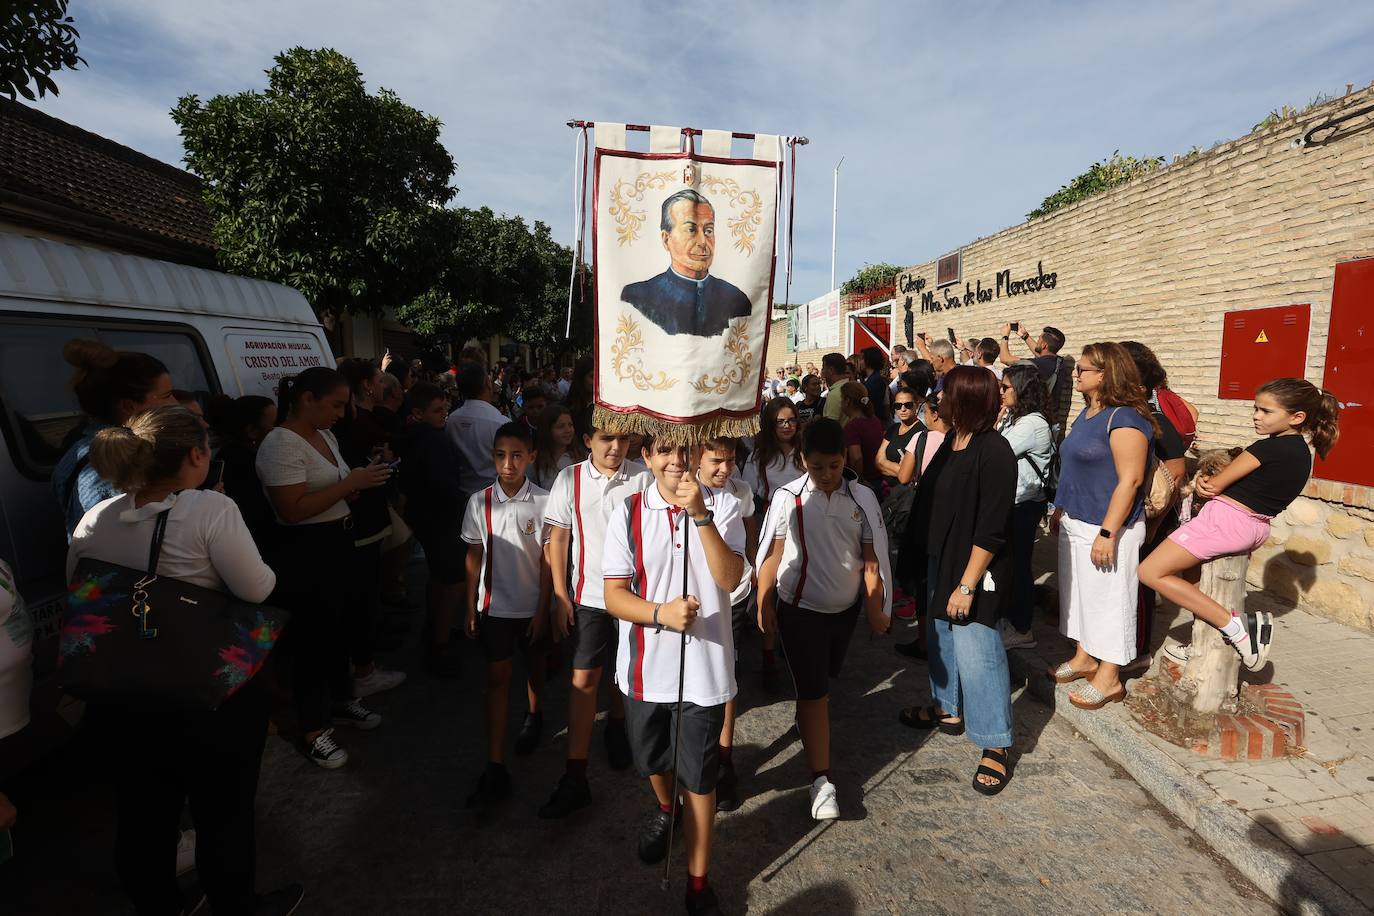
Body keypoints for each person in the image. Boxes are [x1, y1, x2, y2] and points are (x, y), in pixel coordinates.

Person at [68, 406, 301, 915]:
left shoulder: (94, 518)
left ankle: (159, 905)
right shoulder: (210, 510)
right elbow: (257, 587)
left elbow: (79, 588)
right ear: (197, 455)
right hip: (207, 694)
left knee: (143, 814)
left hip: (122, 693)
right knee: (223, 814)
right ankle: (234, 907)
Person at [600, 436, 742, 916]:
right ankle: (666, 809)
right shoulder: (627, 511)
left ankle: (698, 884)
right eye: (663, 450)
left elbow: (730, 577)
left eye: (684, 450)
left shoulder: (724, 505)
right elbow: (614, 595)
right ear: (647, 457)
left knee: (700, 779)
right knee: (651, 762)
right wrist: (661, 614)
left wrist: (701, 515)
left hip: (703, 671)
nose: (675, 461)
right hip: (644, 668)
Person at [1140, 378, 1339, 669]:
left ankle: (1238, 628)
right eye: (1256, 408)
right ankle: (1203, 642)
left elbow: (1214, 485)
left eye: (1266, 411)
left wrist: (1208, 482)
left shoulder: (1266, 448)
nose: (1257, 415)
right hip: (1251, 525)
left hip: (1226, 522)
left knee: (1150, 571)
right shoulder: (1301, 453)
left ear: (1297, 417)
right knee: (1195, 580)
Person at [755, 418, 891, 821]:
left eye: (834, 465)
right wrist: (764, 603)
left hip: (844, 614)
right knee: (814, 694)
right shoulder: (787, 499)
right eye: (817, 467)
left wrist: (873, 608)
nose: (827, 475)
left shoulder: (861, 498)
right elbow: (772, 555)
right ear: (802, 461)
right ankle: (821, 781)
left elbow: (872, 560)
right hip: (800, 612)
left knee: (821, 687)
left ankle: (809, 726)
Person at [257, 368, 392, 768]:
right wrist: (353, 483)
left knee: (339, 630)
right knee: (311, 642)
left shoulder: (326, 435)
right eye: (335, 405)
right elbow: (292, 510)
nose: (341, 413)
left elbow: (332, 490)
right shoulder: (280, 444)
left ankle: (342, 700)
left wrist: (358, 482)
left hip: (338, 543)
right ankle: (314, 729)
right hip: (306, 553)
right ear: (307, 400)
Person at [896, 366, 1018, 795]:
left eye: (944, 394)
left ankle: (995, 743)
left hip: (972, 569)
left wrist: (966, 585)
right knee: (942, 639)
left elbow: (992, 527)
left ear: (964, 399)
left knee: (977, 649)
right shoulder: (952, 440)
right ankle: (948, 708)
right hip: (940, 559)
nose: (937, 400)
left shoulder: (995, 451)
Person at [538, 424, 651, 818]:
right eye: (606, 439)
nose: (616, 447)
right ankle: (575, 774)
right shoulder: (569, 478)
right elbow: (558, 538)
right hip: (587, 596)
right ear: (587, 440)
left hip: (633, 595)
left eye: (623, 439)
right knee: (584, 677)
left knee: (625, 672)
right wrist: (559, 595)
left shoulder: (642, 475)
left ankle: (617, 726)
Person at [1048, 343, 1155, 710]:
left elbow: (1131, 480)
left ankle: (1109, 676)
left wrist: (1108, 532)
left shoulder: (1125, 418)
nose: (1076, 374)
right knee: (1079, 594)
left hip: (1110, 526)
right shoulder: (1088, 413)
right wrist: (1061, 508)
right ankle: (1084, 656)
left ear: (1106, 374)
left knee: (1111, 599)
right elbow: (1074, 467)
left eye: (1083, 369)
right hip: (1077, 518)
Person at [462, 423, 552, 808]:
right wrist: (470, 603)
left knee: (535, 665)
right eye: (500, 455)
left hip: (533, 605)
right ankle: (495, 763)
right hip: (495, 607)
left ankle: (535, 713)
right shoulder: (479, 502)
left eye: (517, 455)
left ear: (531, 456)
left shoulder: (547, 502)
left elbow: (551, 559)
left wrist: (546, 607)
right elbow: (473, 554)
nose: (508, 464)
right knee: (497, 678)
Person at [53, 339, 177, 537]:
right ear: (129, 406)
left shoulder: (76, 453)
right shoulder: (118, 463)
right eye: (167, 396)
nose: (175, 403)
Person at [334, 358, 404, 700]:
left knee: (366, 593)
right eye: (377, 378)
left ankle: (361, 664)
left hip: (365, 518)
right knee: (360, 596)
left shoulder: (362, 420)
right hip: (359, 521)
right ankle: (362, 670)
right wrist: (371, 468)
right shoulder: (351, 424)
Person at [694, 437, 755, 812]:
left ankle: (724, 759)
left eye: (730, 461)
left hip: (731, 596)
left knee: (726, 677)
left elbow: (747, 536)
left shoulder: (738, 492)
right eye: (716, 461)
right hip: (694, 602)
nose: (724, 469)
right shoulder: (680, 490)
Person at [1121, 341, 1188, 668]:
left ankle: (1138, 651)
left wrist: (1153, 528)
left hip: (1149, 520)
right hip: (1127, 517)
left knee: (1140, 586)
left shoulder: (1156, 421)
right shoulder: (1126, 417)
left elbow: (1175, 477)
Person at [396, 383, 467, 679]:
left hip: (426, 518)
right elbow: (442, 485)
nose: (444, 415)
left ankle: (435, 627)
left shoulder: (416, 437)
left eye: (445, 409)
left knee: (438, 575)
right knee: (453, 579)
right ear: (418, 412)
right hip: (442, 518)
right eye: (437, 411)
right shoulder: (433, 440)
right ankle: (440, 641)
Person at [620, 189, 752, 338]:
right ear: (665, 239)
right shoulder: (636, 298)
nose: (703, 242)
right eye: (691, 229)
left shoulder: (736, 299)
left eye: (708, 230)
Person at [743, 398, 805, 689]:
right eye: (780, 421)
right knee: (767, 592)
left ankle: (792, 649)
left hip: (804, 526)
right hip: (770, 525)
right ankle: (768, 656)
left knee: (796, 590)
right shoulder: (759, 457)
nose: (787, 426)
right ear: (770, 424)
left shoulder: (804, 453)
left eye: (791, 420)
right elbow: (749, 496)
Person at [995, 365, 1055, 651]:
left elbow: (997, 452)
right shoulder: (1017, 418)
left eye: (1006, 387)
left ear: (1021, 389)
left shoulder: (1032, 424)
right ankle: (1010, 618)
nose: (1001, 392)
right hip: (1014, 501)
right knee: (1010, 564)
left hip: (1024, 504)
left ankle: (1022, 627)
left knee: (1019, 566)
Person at [208, 395, 278, 551]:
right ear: (252, 431)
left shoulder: (228, 455)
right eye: (273, 425)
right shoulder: (245, 463)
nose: (280, 431)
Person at [528, 404, 586, 490]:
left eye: (570, 425)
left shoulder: (582, 457)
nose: (568, 430)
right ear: (547, 430)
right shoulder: (536, 462)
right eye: (560, 427)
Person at [876, 387, 924, 489]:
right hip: (885, 490)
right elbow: (878, 461)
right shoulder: (893, 429)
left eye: (908, 405)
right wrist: (899, 469)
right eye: (898, 405)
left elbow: (909, 475)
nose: (903, 409)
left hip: (904, 494)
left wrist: (885, 464)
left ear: (917, 405)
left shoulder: (922, 432)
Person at [839, 381, 884, 488]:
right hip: (879, 479)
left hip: (867, 482)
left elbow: (856, 457)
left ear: (847, 401)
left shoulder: (852, 426)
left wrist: (858, 481)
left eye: (841, 399)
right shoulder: (874, 419)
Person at [1000, 323, 1066, 390]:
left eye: (1039, 339)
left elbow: (1004, 358)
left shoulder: (1035, 364)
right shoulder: (1059, 362)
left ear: (1044, 345)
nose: (1037, 342)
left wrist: (1005, 336)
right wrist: (1025, 336)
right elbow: (1041, 354)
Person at [860, 347, 891, 424]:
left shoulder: (876, 381)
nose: (860, 362)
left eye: (862, 359)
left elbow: (873, 403)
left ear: (869, 360)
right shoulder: (869, 379)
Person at [819, 353, 850, 424]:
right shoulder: (853, 387)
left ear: (831, 370)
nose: (822, 371)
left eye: (823, 368)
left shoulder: (835, 394)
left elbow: (830, 427)